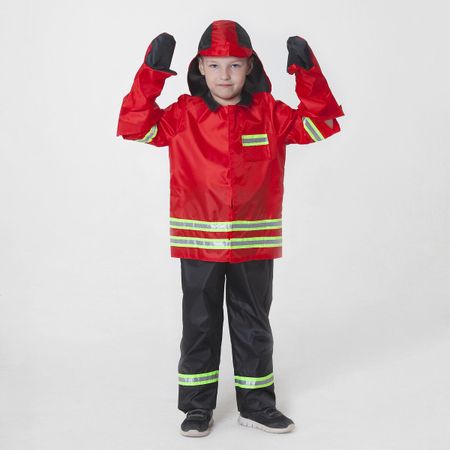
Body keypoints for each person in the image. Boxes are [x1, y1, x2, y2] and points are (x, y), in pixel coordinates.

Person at [116, 19, 344, 437]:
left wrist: (308, 73)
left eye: (235, 65)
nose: (225, 75)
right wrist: (152, 74)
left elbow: (320, 124)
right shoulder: (184, 114)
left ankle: (257, 405)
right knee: (199, 325)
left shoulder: (270, 113)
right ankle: (196, 408)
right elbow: (135, 126)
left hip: (254, 243)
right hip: (199, 242)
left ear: (250, 67)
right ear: (200, 67)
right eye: (215, 65)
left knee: (253, 323)